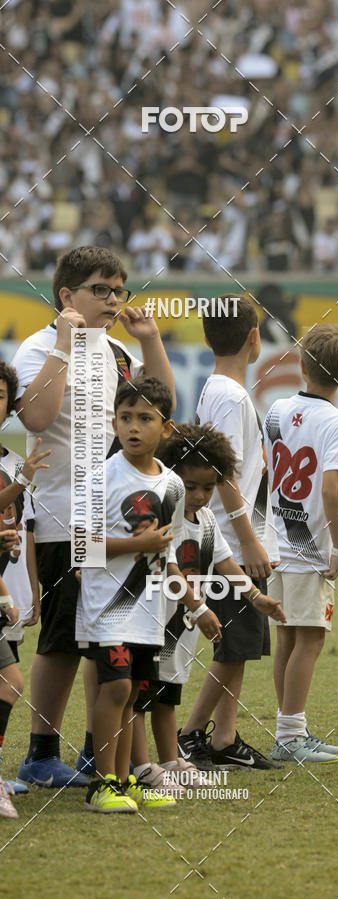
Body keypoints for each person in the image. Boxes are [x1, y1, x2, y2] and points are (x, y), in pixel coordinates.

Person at [12, 245, 175, 787]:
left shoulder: (118, 352)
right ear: (66, 296)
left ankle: (96, 752)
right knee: (60, 641)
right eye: (99, 289)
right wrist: (64, 342)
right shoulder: (38, 348)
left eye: (118, 290)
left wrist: (150, 340)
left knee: (110, 639)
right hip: (62, 518)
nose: (111, 300)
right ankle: (41, 753)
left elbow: (160, 407)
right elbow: (37, 414)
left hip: (117, 526)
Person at [77, 377, 220, 812]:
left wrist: (196, 605)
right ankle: (102, 785)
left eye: (145, 419)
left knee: (135, 694)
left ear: (167, 428)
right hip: (108, 607)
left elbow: (170, 555)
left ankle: (126, 781)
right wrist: (136, 546)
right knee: (117, 687)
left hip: (150, 610)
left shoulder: (173, 486)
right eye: (125, 418)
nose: (133, 427)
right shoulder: (101, 475)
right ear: (114, 423)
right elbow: (80, 547)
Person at [131, 423, 285, 784]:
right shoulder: (162, 517)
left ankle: (171, 764)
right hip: (151, 625)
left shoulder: (207, 519)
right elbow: (169, 569)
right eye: (191, 487)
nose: (200, 496)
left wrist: (256, 596)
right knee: (138, 698)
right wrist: (200, 609)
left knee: (168, 697)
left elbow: (226, 563)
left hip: (180, 629)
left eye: (209, 487)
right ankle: (140, 767)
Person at [178, 295, 285, 770]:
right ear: (253, 337)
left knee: (239, 646)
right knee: (234, 642)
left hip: (231, 535)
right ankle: (189, 735)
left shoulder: (219, 389)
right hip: (227, 540)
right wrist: (248, 540)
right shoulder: (230, 394)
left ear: (206, 337)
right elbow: (221, 474)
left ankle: (224, 739)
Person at [264, 324, 338, 763]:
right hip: (307, 547)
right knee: (311, 639)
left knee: (287, 636)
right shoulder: (337, 421)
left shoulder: (276, 408)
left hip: (274, 539)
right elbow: (329, 490)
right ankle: (289, 736)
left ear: (302, 366)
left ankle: (293, 727)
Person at [0, 362, 52, 809]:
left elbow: (29, 529)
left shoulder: (19, 464)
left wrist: (31, 591)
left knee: (7, 677)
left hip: (9, 593)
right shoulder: (21, 474)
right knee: (8, 681)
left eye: (1, 394)